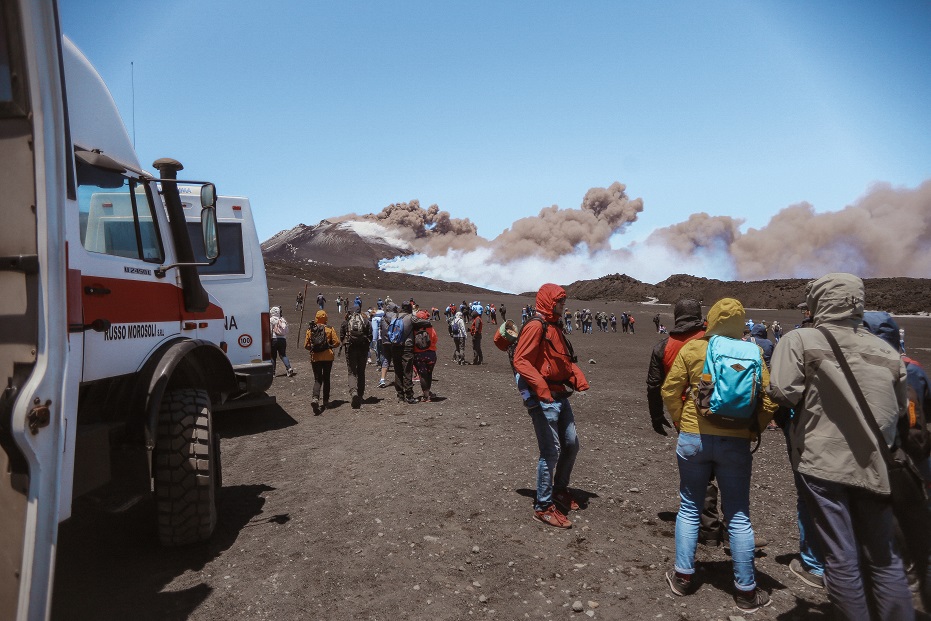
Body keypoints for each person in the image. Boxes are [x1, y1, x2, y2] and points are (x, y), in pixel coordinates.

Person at [768, 273, 914, 621]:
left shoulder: (801, 339)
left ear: (818, 302)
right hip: (876, 465)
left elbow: (783, 392)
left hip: (822, 463)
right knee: (884, 556)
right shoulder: (887, 352)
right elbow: (899, 414)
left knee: (841, 556)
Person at [661, 297, 777, 612]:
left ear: (711, 319)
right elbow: (768, 401)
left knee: (688, 508)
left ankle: (683, 578)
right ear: (741, 324)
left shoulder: (694, 348)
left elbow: (670, 390)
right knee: (738, 515)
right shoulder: (754, 352)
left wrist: (679, 420)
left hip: (694, 438)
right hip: (736, 442)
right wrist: (753, 431)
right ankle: (746, 591)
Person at [513, 283, 589, 529]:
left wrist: (575, 375)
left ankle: (559, 490)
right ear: (550, 302)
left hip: (559, 395)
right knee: (551, 451)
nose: (563, 306)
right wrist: (542, 390)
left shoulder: (554, 325)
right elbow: (521, 360)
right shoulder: (537, 326)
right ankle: (543, 506)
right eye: (560, 302)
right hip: (544, 397)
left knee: (571, 444)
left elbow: (560, 359)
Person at [305, 309, 339, 414]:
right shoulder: (329, 329)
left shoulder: (311, 329)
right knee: (326, 378)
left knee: (317, 379)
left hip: (315, 358)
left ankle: (315, 399)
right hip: (328, 357)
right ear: (325, 318)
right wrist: (330, 346)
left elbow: (306, 345)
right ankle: (326, 401)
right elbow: (337, 342)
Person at [340, 304, 372, 409]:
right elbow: (370, 336)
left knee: (352, 372)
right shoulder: (366, 321)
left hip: (350, 349)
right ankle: (361, 396)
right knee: (361, 372)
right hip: (363, 350)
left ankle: (354, 393)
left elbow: (341, 336)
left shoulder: (346, 322)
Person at [390, 302, 420, 404]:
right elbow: (422, 323)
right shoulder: (411, 317)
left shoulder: (394, 316)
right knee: (407, 371)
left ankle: (400, 395)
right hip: (407, 347)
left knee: (398, 371)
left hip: (395, 345)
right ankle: (409, 395)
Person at [413, 310, 439, 402]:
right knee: (429, 373)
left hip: (419, 354)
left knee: (422, 375)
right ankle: (428, 392)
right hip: (431, 353)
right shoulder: (430, 328)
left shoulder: (414, 329)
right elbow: (435, 339)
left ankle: (426, 394)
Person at [269, 306, 296, 377]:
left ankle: (273, 372)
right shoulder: (282, 320)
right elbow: (286, 330)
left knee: (273, 356)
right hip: (283, 340)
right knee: (283, 355)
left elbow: (269, 331)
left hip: (274, 339)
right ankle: (289, 368)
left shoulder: (271, 320)